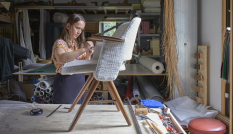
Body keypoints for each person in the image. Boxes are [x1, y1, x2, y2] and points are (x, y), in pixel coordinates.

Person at [51, 14, 94, 104]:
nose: (79, 32)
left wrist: (87, 56)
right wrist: (84, 49)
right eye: (77, 28)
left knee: (77, 113)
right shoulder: (60, 43)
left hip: (80, 82)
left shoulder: (78, 45)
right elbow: (61, 58)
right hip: (66, 83)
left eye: (81, 29)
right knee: (62, 113)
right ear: (68, 26)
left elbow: (84, 65)